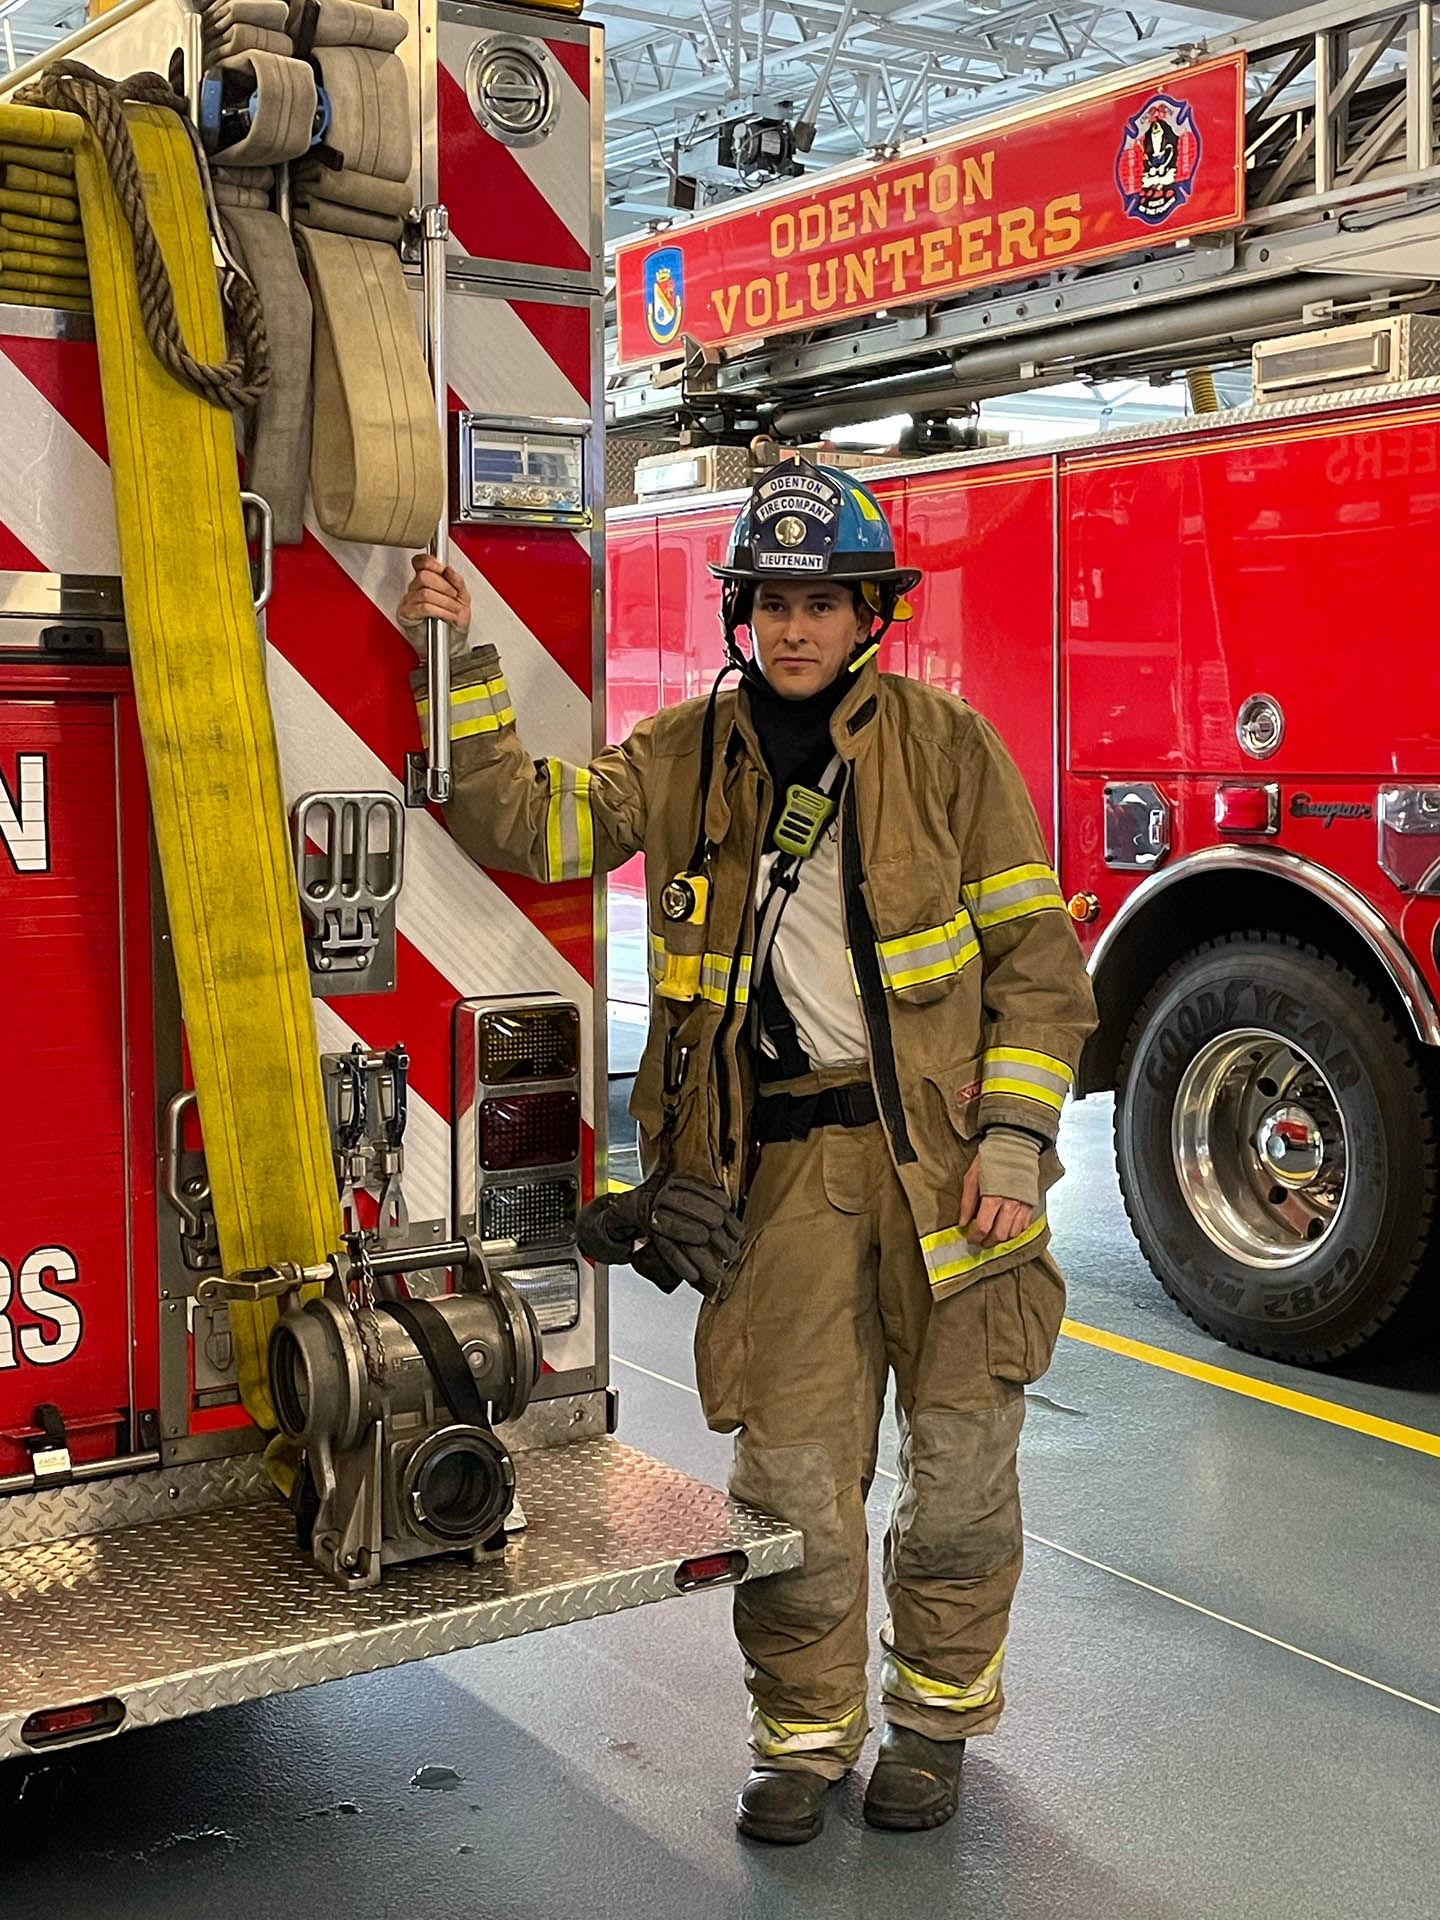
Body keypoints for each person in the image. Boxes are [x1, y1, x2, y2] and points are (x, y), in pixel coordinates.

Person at [396, 456, 1097, 1846]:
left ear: (869, 616)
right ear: (743, 614)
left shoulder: (950, 752)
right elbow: (535, 821)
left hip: (948, 1175)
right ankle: (803, 1736)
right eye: (771, 602)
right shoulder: (680, 756)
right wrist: (457, 655)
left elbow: (1039, 966)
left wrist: (1015, 1142)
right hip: (778, 1186)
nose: (793, 629)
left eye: (822, 603)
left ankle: (938, 1726)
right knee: (791, 1483)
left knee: (961, 1469)